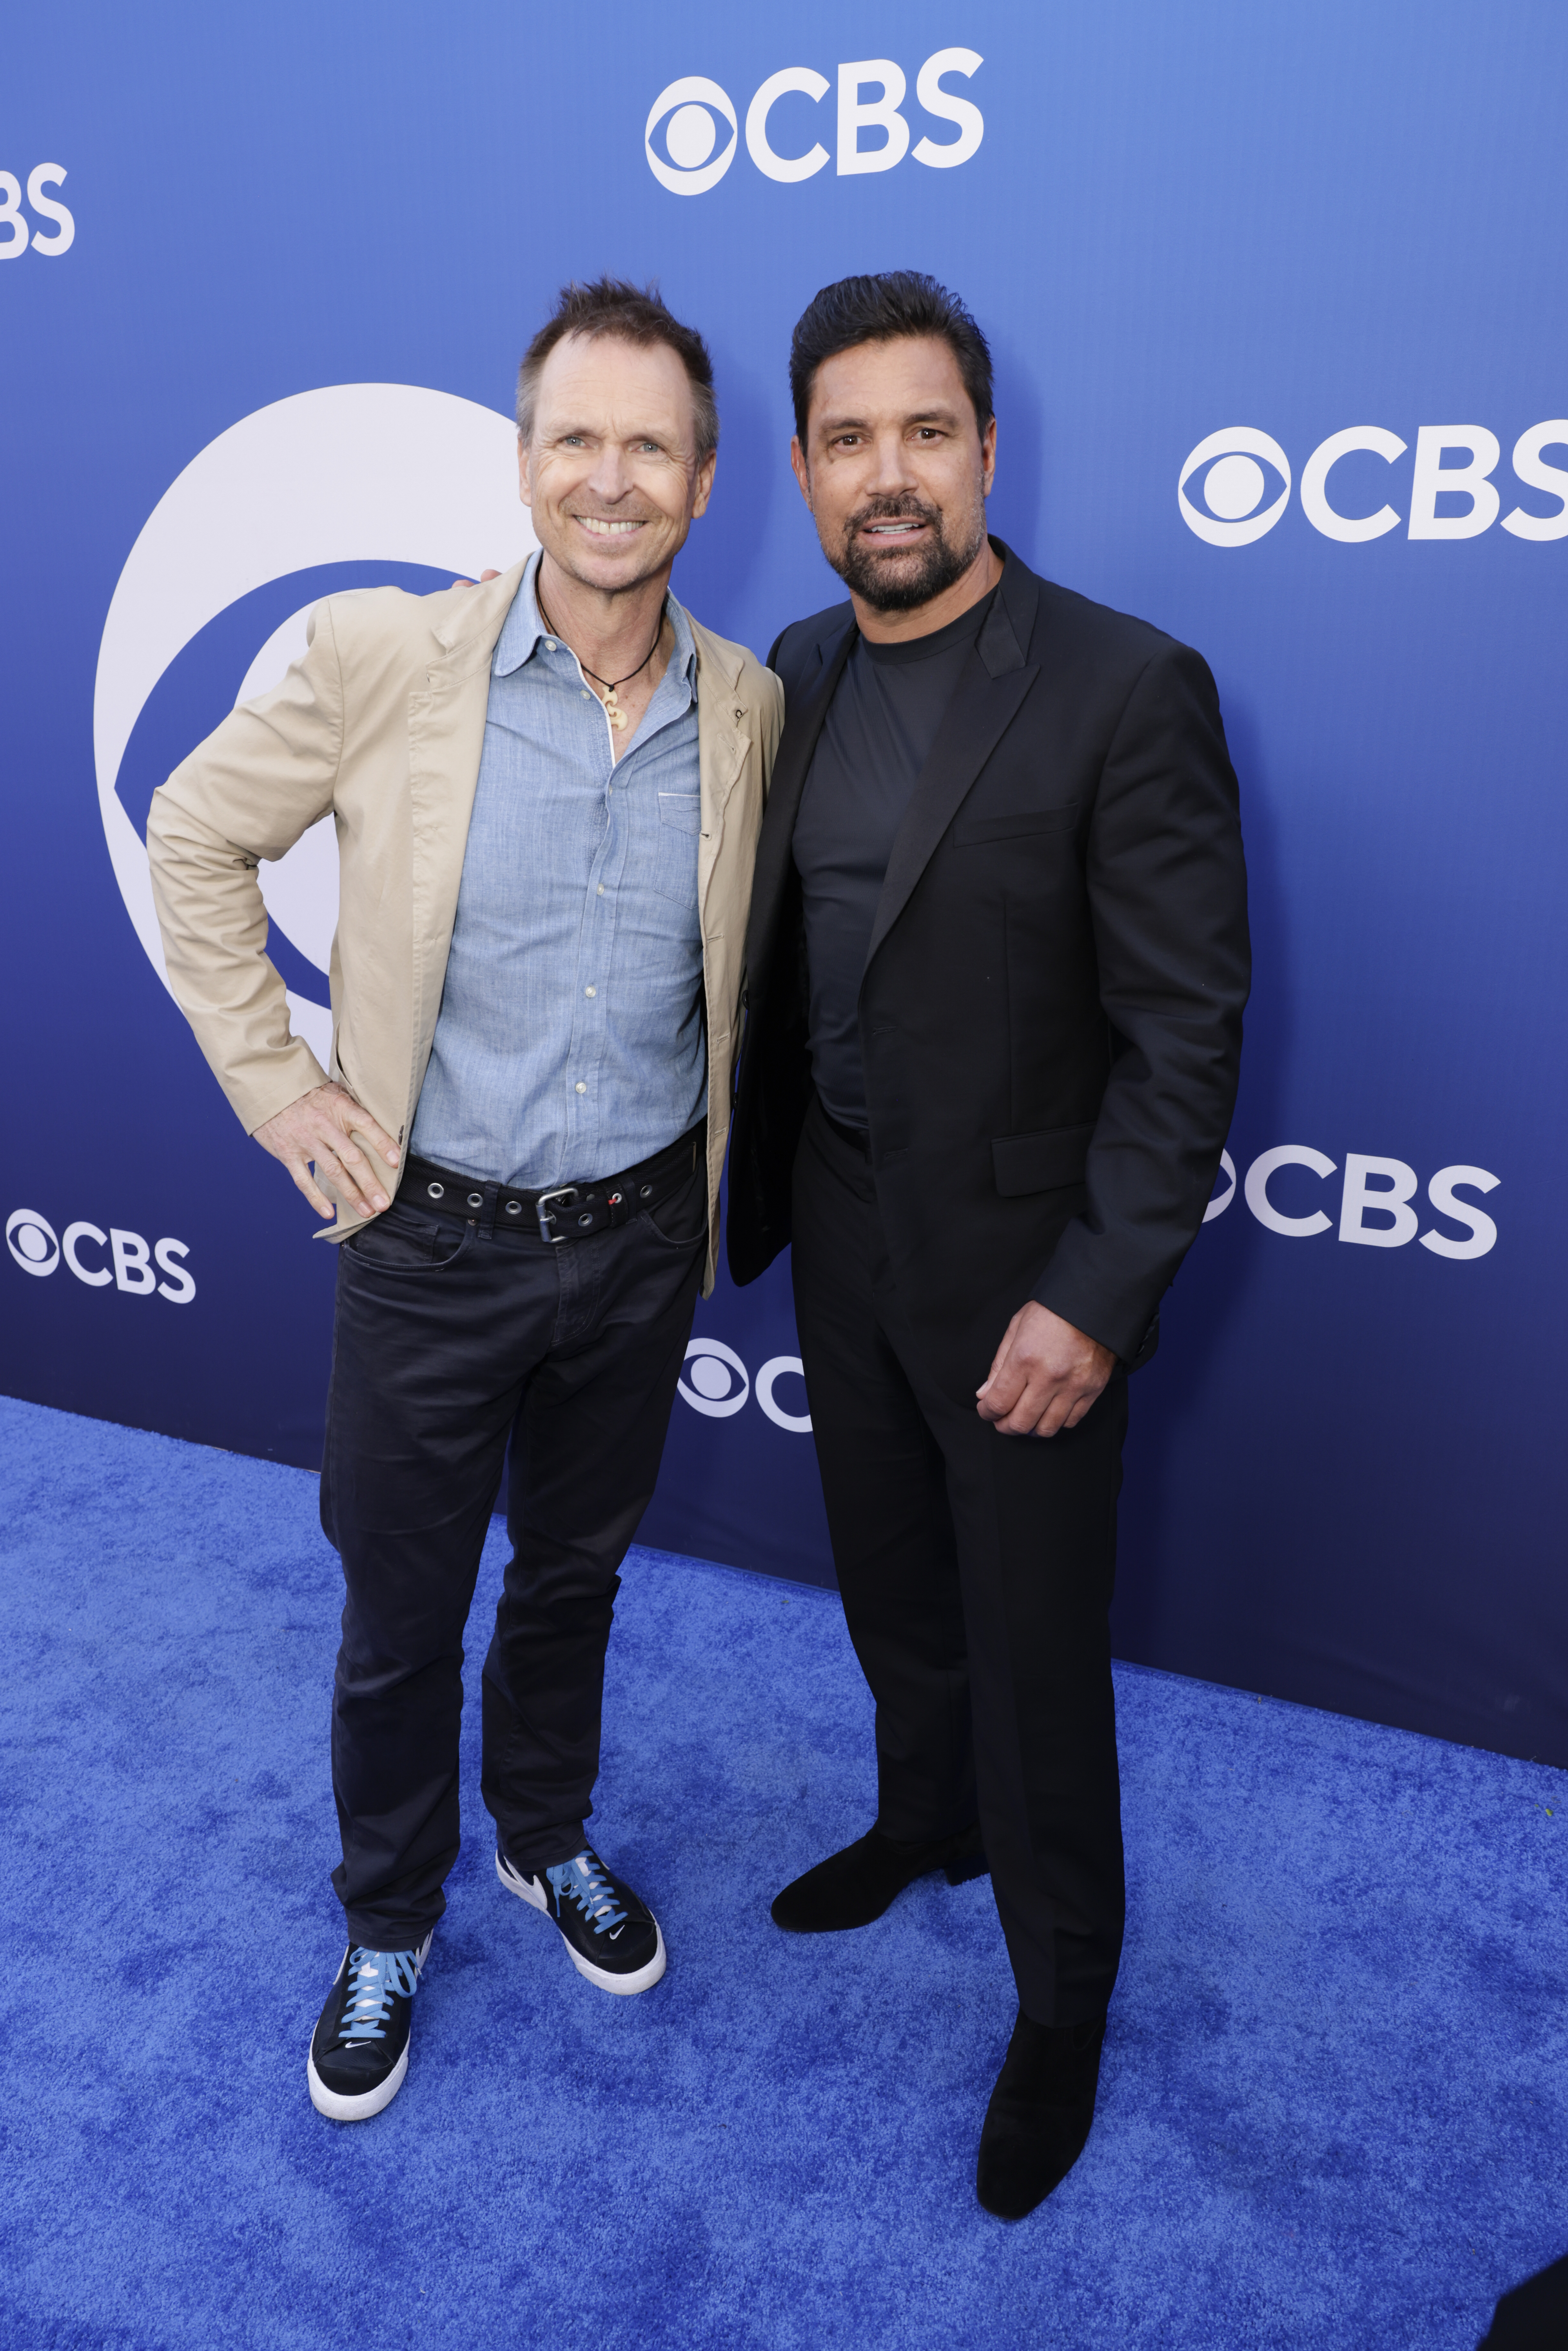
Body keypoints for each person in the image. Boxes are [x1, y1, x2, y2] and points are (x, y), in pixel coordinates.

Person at [147, 279, 781, 2122]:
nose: (611, 478)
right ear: (521, 464)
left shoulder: (747, 705)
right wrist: (279, 1084)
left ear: (702, 476)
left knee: (573, 1577)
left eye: (647, 444)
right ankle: (388, 1914)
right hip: (431, 1246)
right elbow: (194, 833)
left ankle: (545, 1831)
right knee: (401, 1609)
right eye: (574, 439)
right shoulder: (377, 656)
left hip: (644, 1234)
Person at [726, 272, 1250, 2219]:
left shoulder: (1125, 685)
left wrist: (1092, 1300)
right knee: (891, 1588)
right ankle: (921, 1821)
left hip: (1031, 1275)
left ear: (986, 451)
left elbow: (1184, 1033)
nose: (889, 477)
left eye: (924, 433)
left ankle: (1063, 1999)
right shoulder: (795, 669)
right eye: (848, 440)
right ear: (799, 469)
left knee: (1037, 1660)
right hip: (843, 1228)